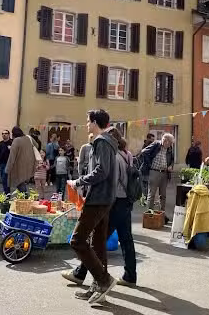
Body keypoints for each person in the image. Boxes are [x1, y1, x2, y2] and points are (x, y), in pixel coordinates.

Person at [65, 128, 137, 288]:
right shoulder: (127, 154)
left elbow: (111, 180)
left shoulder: (115, 156)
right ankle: (130, 275)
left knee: (97, 241)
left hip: (115, 201)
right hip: (126, 201)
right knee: (126, 239)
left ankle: (83, 274)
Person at [66, 109, 118, 305]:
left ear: (95, 122)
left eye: (88, 121)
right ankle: (98, 284)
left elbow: (102, 171)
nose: (87, 125)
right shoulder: (107, 142)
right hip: (104, 198)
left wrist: (78, 182)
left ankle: (104, 280)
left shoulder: (101, 142)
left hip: (99, 198)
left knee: (77, 240)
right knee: (97, 243)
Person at [142, 133, 175, 223]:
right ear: (165, 141)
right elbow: (144, 152)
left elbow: (172, 159)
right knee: (151, 194)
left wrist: (171, 166)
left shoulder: (169, 148)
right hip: (154, 171)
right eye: (170, 143)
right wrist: (149, 165)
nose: (170, 145)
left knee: (163, 195)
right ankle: (150, 214)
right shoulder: (156, 144)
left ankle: (162, 215)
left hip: (164, 173)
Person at [7, 126, 36, 194]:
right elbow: (37, 145)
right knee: (21, 182)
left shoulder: (16, 140)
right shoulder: (29, 138)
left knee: (19, 182)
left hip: (18, 165)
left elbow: (12, 156)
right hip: (28, 163)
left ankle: (25, 198)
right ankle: (25, 197)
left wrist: (8, 168)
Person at [0, 130, 12, 194]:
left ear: (9, 134)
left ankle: (7, 193)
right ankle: (6, 192)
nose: (4, 135)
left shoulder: (12, 142)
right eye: (2, 133)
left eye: (6, 133)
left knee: (4, 178)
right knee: (3, 179)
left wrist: (11, 149)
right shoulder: (1, 143)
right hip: (2, 163)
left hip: (8, 163)